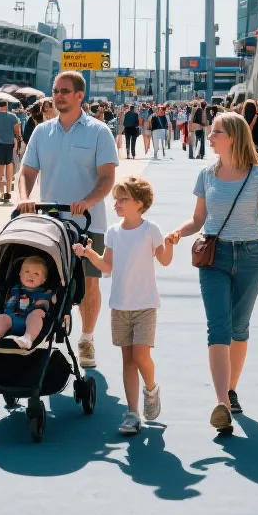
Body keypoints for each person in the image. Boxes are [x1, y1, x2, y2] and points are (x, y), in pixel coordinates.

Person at [166, 112, 258, 432]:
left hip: (250, 256)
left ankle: (231, 389)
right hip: (214, 258)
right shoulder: (206, 175)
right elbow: (198, 219)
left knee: (239, 328)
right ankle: (221, 402)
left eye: (215, 131)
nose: (209, 135)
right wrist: (178, 232)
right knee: (218, 327)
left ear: (232, 136)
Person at [18, 71, 119, 370]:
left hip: (88, 223)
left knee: (88, 283)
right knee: (47, 281)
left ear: (79, 96)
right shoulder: (41, 132)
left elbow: (107, 178)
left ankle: (86, 337)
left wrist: (87, 202)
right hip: (49, 223)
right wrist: (24, 197)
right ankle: (45, 333)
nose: (58, 96)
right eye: (55, 91)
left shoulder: (99, 132)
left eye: (64, 91)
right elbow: (26, 173)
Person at [74, 176, 174, 435]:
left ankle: (151, 389)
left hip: (145, 306)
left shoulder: (151, 230)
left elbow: (164, 260)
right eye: (116, 199)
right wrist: (88, 254)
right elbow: (107, 266)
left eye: (122, 199)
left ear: (138, 204)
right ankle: (132, 413)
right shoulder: (112, 233)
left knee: (141, 356)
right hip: (120, 306)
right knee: (128, 362)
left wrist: (170, 244)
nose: (116, 203)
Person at [0, 257, 54, 351]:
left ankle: (27, 338)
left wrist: (54, 298)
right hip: (11, 319)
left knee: (37, 314)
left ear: (43, 279)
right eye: (27, 271)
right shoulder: (13, 289)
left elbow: (52, 302)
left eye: (36, 274)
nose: (31, 276)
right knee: (2, 317)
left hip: (31, 322)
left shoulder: (45, 293)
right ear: (20, 274)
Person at [0, 100, 23, 204]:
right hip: (10, 146)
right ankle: (8, 192)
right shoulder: (13, 117)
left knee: (0, 173)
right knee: (9, 171)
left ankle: (2, 193)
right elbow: (17, 131)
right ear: (6, 107)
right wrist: (19, 141)